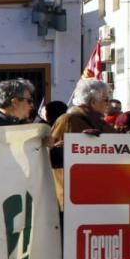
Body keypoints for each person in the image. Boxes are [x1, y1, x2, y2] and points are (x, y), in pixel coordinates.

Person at [48, 78, 113, 208]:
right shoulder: (69, 120)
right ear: (93, 102)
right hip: (71, 200)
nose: (109, 104)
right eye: (106, 100)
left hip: (96, 193)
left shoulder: (100, 122)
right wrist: (81, 145)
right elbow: (51, 156)